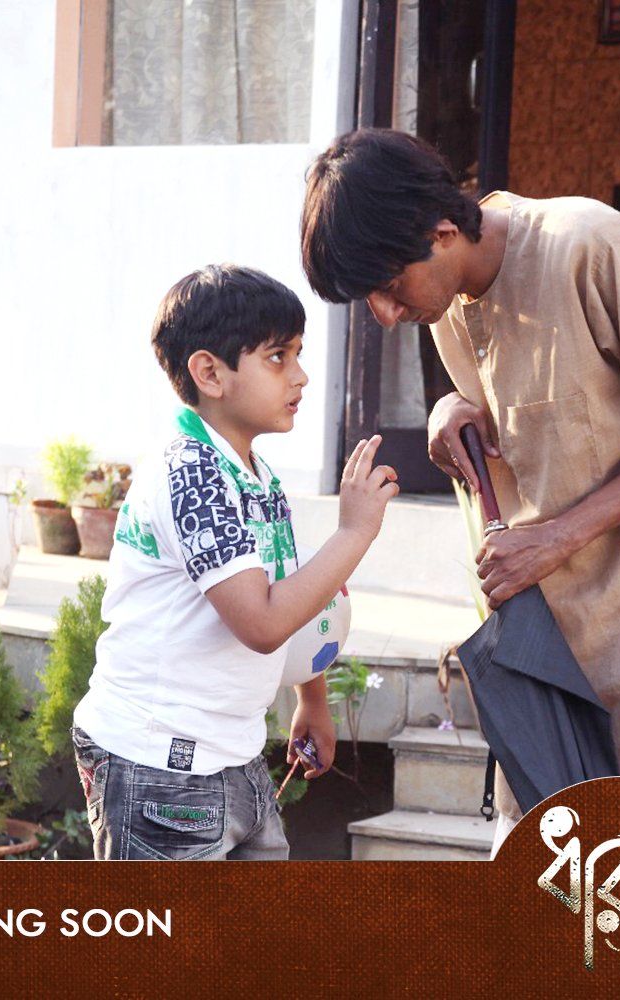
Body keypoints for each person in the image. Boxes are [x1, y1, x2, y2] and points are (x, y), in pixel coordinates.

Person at [300, 129, 620, 858]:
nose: (385, 314)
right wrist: (450, 412)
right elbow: (531, 427)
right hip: (552, 658)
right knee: (548, 901)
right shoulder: (450, 302)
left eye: (390, 287)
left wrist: (557, 538)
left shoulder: (588, 245)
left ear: (442, 232)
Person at [72, 264, 399, 860]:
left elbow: (289, 589)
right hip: (159, 769)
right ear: (209, 373)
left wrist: (313, 698)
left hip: (233, 754)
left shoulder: (252, 472)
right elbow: (262, 622)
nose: (300, 375)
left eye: (298, 354)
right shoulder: (190, 472)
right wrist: (355, 532)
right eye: (277, 357)